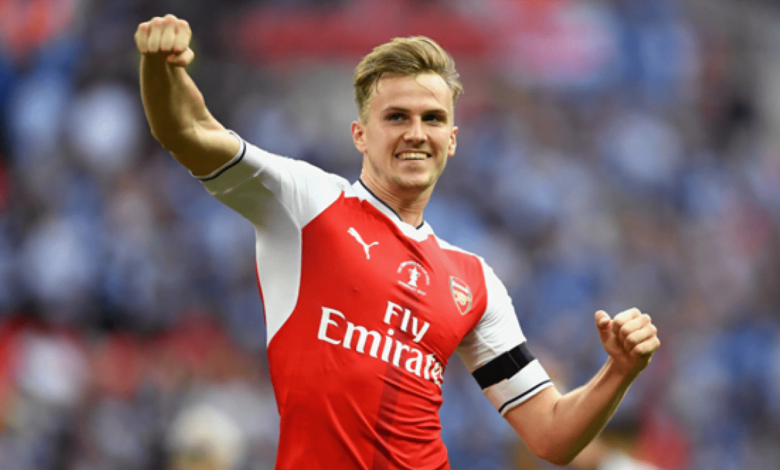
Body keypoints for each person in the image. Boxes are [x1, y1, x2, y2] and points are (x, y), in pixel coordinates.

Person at [135, 14, 661, 470]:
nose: (416, 133)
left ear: (451, 140)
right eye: (396, 117)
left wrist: (619, 370)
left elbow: (550, 435)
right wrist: (161, 68)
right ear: (360, 134)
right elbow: (189, 131)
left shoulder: (475, 281)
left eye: (433, 119)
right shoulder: (306, 202)